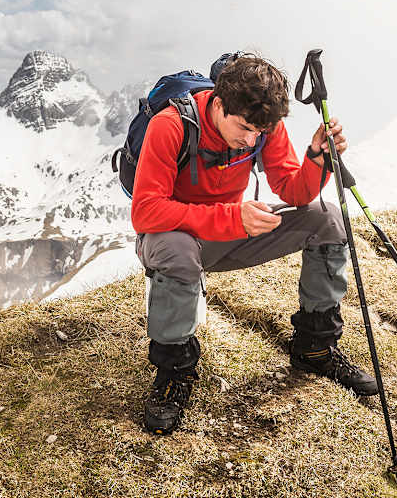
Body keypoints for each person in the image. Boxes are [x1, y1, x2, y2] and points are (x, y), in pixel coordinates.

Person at [131, 54, 378, 435]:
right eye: (244, 128)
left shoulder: (264, 126)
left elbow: (293, 190)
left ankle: (314, 348)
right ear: (218, 103)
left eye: (259, 132)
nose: (251, 139)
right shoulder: (171, 125)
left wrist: (317, 158)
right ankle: (174, 374)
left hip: (232, 233)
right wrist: (232, 218)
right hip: (177, 241)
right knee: (177, 253)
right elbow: (146, 212)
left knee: (326, 219)